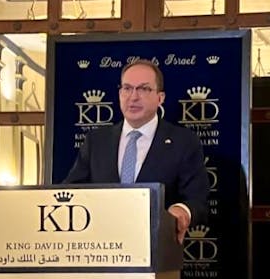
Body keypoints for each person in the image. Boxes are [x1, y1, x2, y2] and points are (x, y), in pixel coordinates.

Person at [63, 60, 209, 244]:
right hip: (99, 252)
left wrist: (181, 211)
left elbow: (198, 200)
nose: (133, 97)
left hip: (156, 254)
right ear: (119, 93)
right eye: (127, 88)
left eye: (144, 89)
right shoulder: (96, 141)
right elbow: (70, 191)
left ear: (160, 97)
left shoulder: (183, 142)